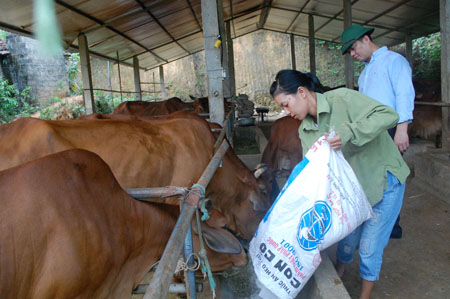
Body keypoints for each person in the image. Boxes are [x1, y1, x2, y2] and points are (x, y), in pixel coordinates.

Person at [270, 70, 410, 299]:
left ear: (302, 92)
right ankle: (341, 268)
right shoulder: (305, 130)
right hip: (353, 192)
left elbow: (388, 115)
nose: (287, 112)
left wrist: (349, 132)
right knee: (347, 242)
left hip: (383, 181)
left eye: (287, 104)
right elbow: (311, 168)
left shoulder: (343, 99)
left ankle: (364, 296)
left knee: (368, 248)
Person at [340, 24, 415, 239]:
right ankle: (376, 220)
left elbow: (404, 94)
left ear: (365, 39)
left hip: (391, 129)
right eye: (350, 52)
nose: (353, 54)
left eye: (353, 48)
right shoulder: (365, 74)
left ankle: (393, 227)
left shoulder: (394, 61)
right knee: (373, 174)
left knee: (391, 176)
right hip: (371, 131)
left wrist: (402, 129)